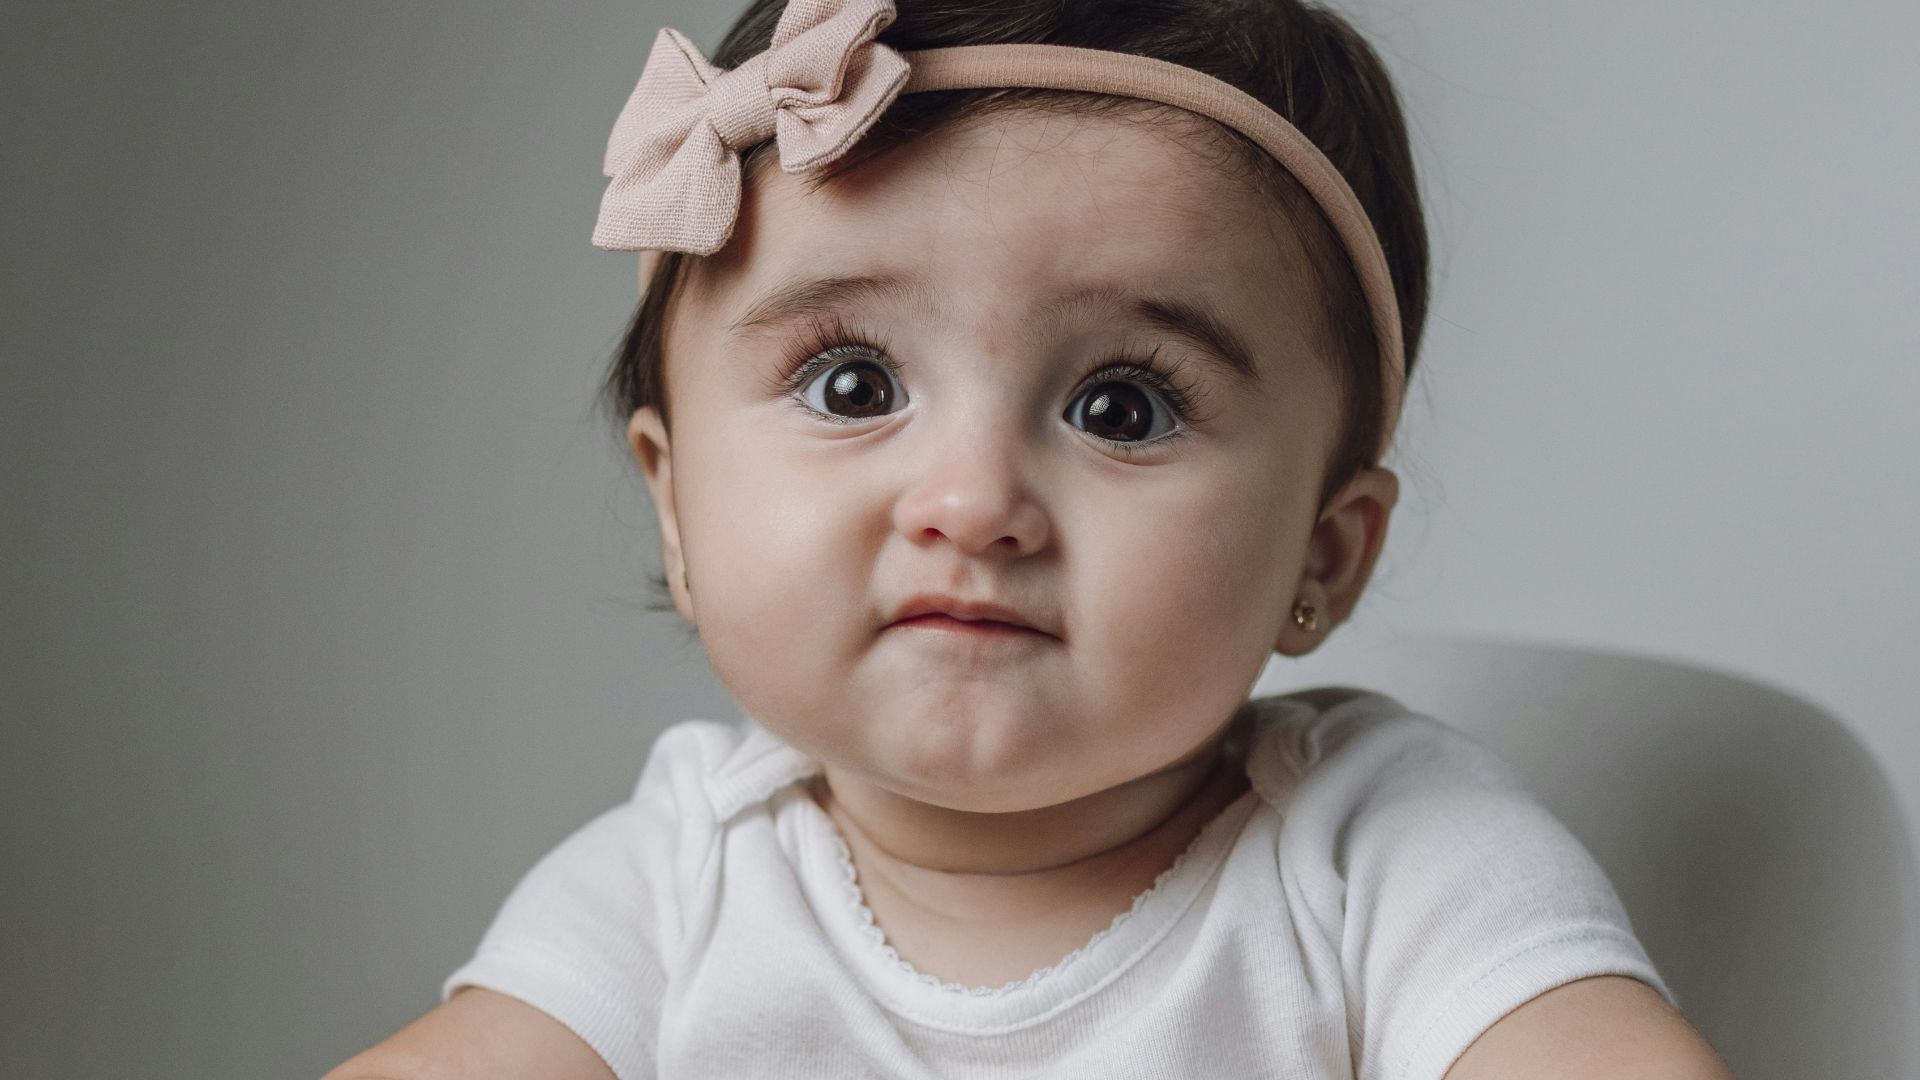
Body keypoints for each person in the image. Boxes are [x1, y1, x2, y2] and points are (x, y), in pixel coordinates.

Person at [324, 1, 1737, 1077]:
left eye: (1123, 408)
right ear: (675, 505)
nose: (972, 500)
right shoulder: (678, 873)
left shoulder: (1386, 851)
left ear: (1322, 555)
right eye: (854, 386)